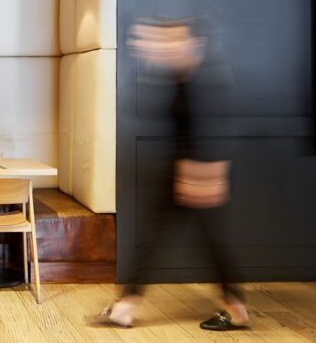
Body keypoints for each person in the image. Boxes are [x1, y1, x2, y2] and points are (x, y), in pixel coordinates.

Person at [95, 18, 249, 331]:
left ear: (190, 42)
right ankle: (126, 305)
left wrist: (207, 176)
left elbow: (217, 127)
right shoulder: (182, 77)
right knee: (156, 236)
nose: (159, 47)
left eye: (168, 40)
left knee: (210, 240)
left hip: (199, 172)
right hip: (181, 169)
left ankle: (236, 310)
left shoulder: (206, 77)